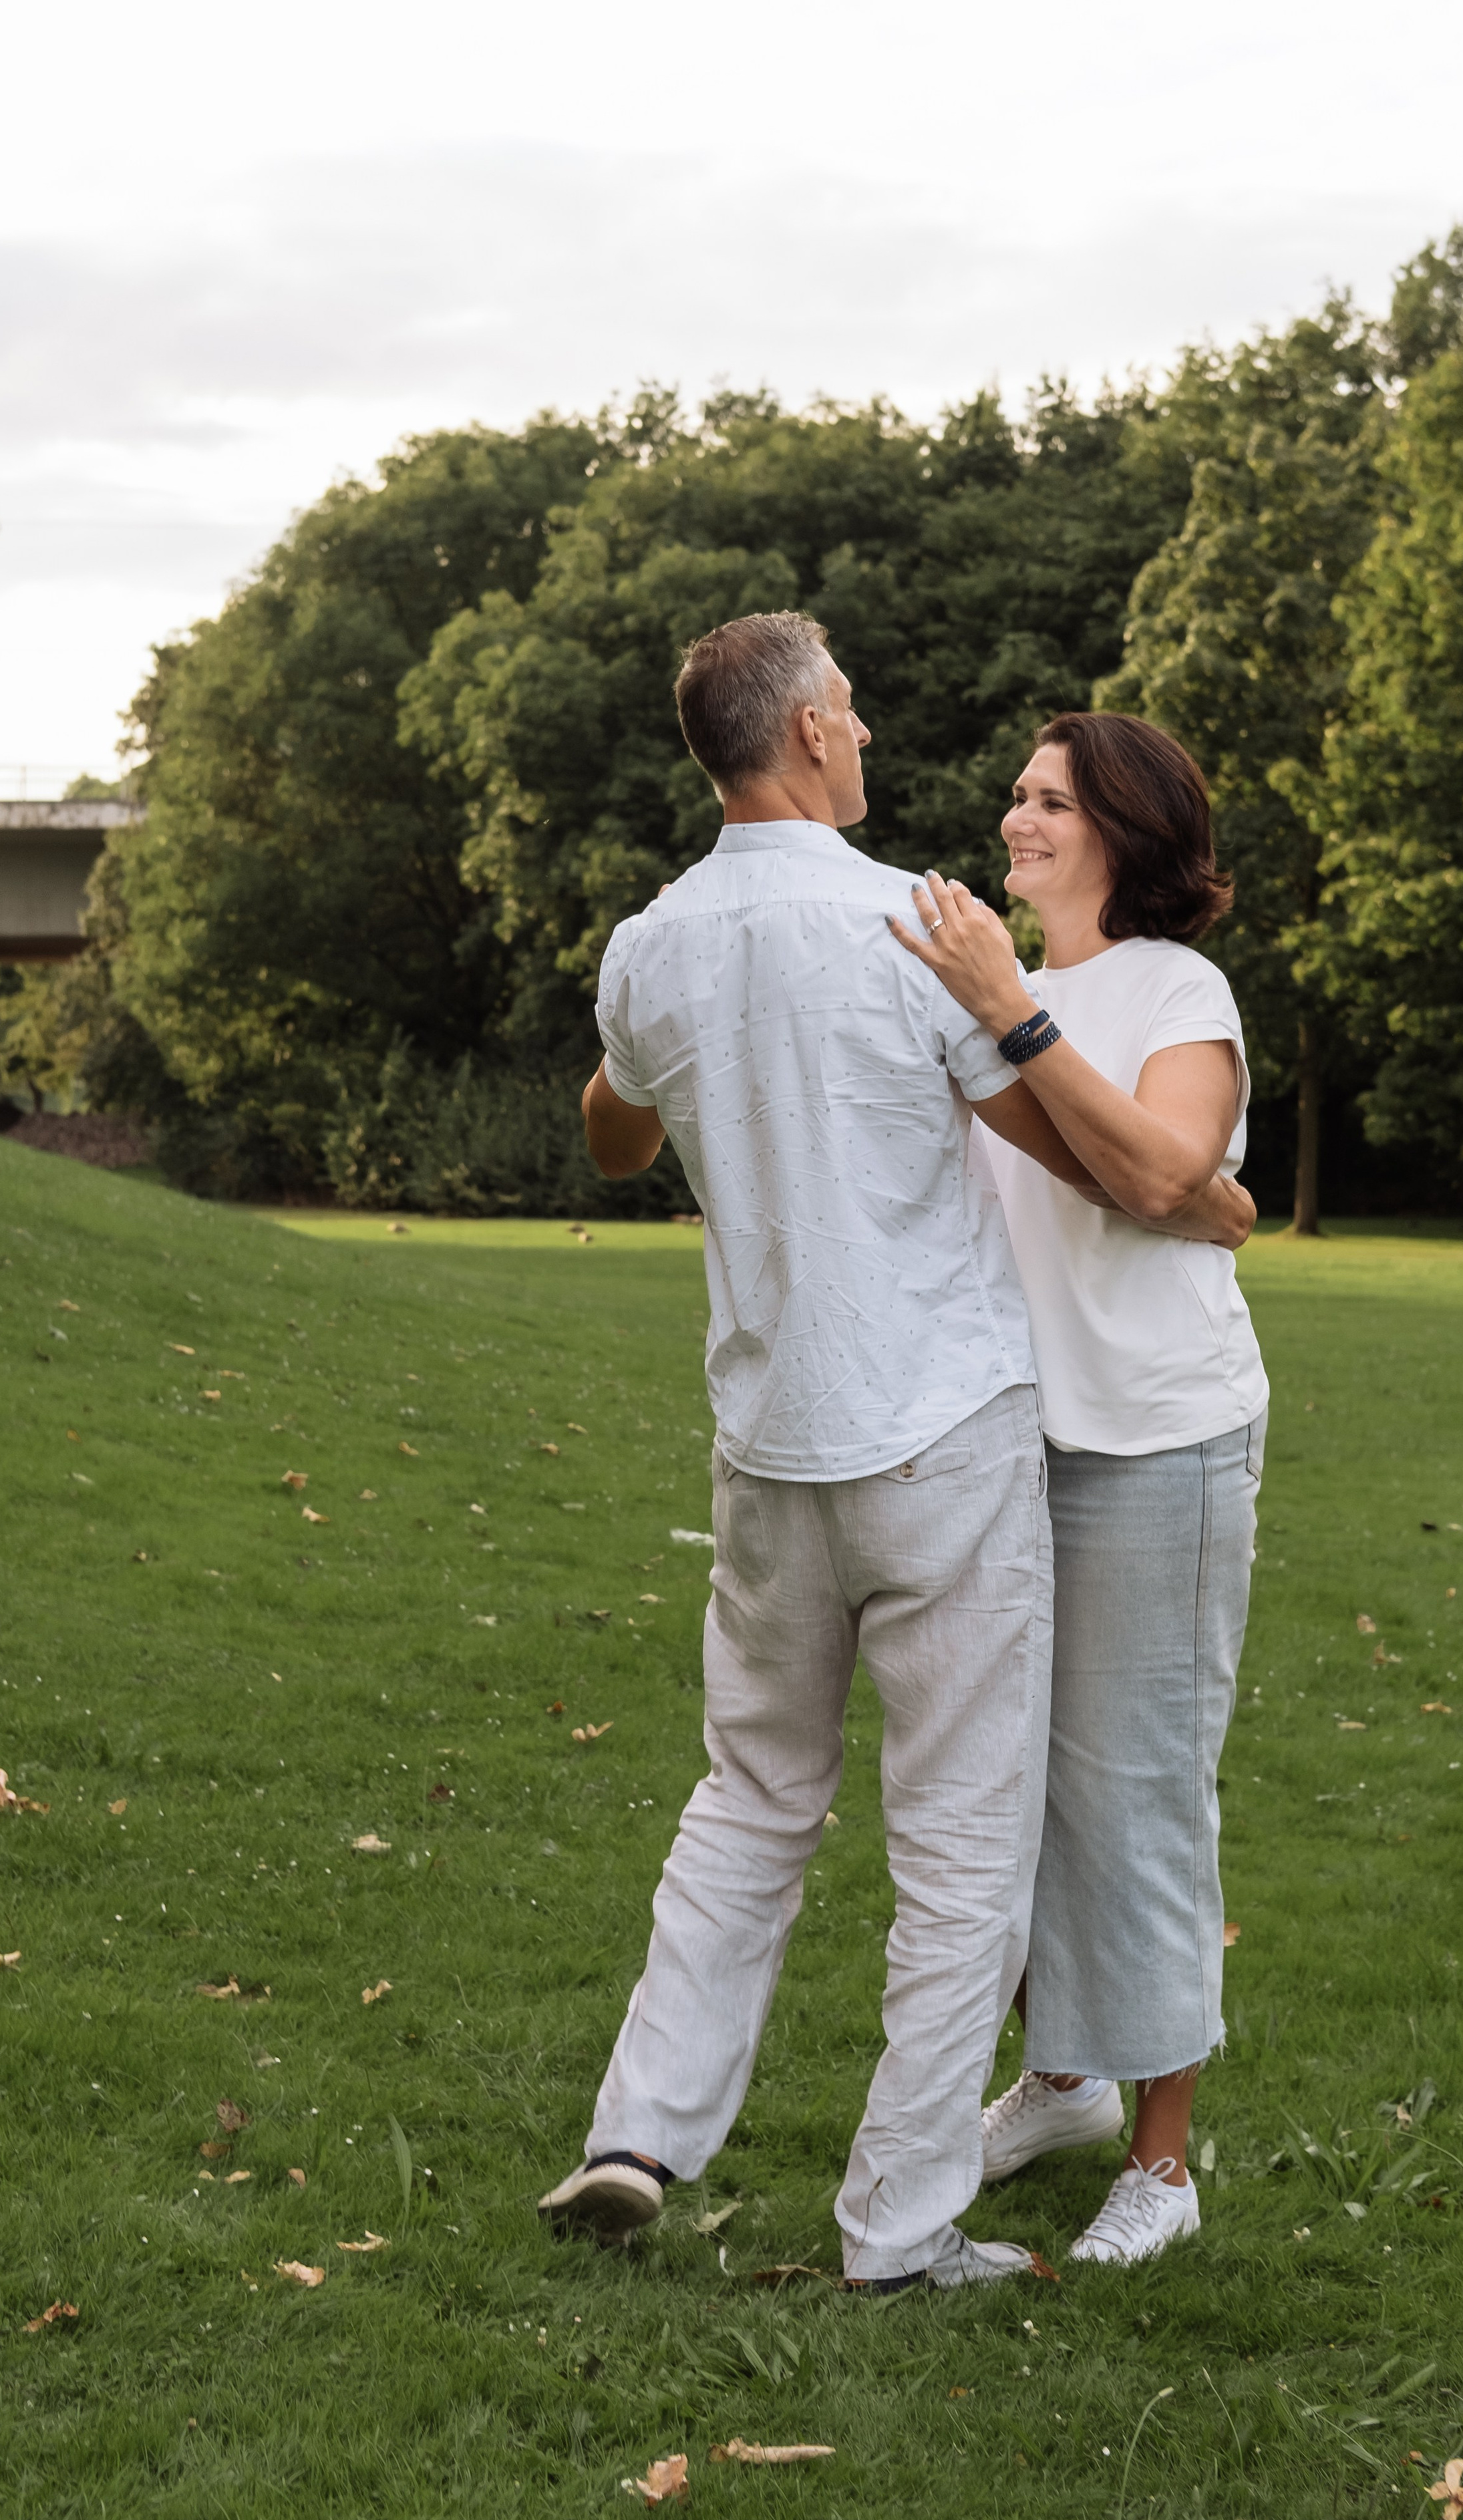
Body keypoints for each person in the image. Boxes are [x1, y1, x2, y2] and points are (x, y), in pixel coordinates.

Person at [538, 616, 1247, 2292]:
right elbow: (1069, 1152)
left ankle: (636, 2136)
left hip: (768, 1450)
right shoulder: (908, 926)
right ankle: (899, 2227)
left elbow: (613, 1129)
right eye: (847, 712)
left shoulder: (649, 945)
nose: (866, 736)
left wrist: (687, 1073)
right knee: (959, 1851)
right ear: (799, 735)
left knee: (747, 1802)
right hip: (940, 1443)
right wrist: (1198, 1194)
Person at [889, 709, 1267, 2268]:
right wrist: (1196, 1194)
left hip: (1155, 1435)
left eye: (1046, 799)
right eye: (1015, 794)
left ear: (1117, 822)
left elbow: (1166, 1178)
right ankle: (1059, 2080)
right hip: (1006, 1437)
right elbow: (1165, 1190)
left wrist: (1014, 1023)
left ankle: (1162, 2163)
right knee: (1021, 1793)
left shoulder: (1178, 989)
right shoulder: (1002, 995)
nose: (1011, 820)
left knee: (1136, 1794)